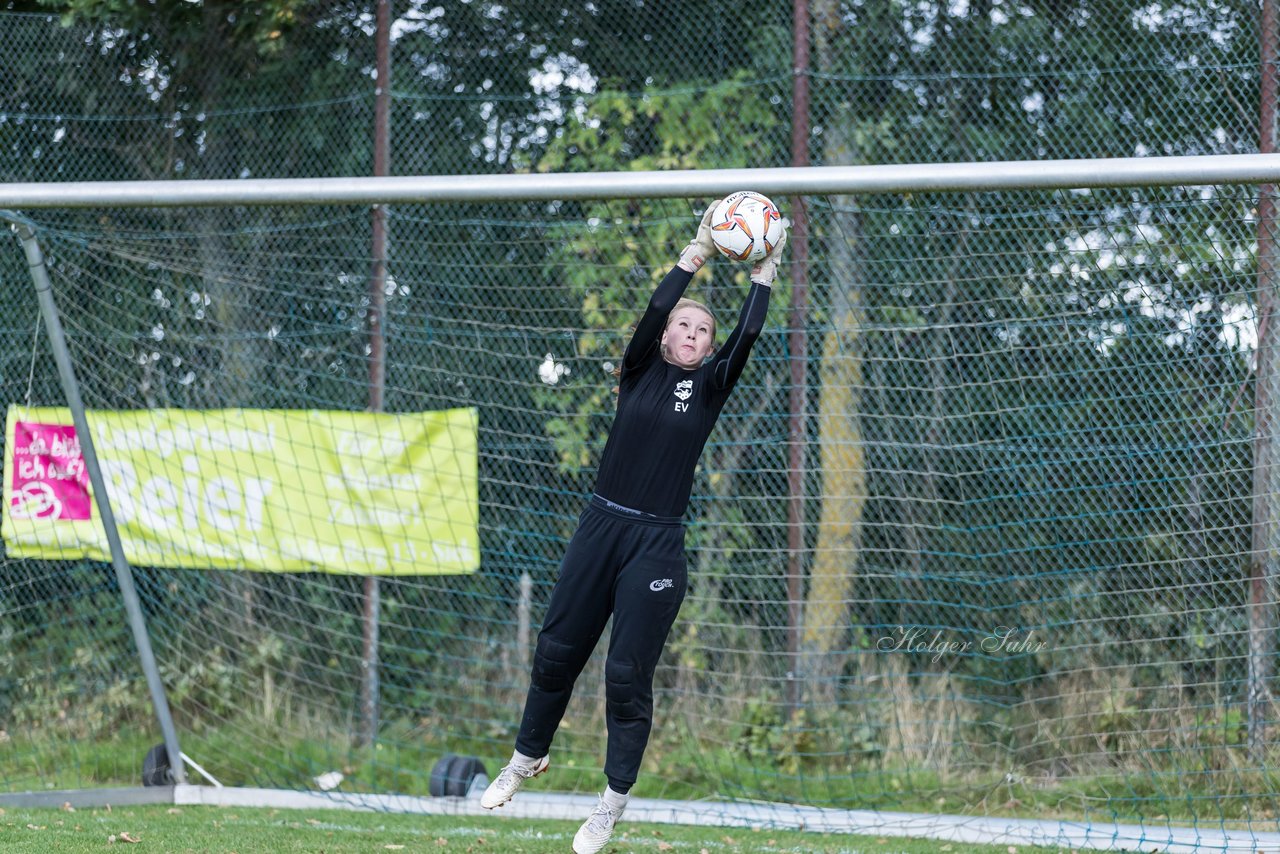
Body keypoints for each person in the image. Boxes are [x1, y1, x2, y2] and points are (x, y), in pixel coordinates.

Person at [481, 202, 787, 854]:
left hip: (656, 543)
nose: (692, 332)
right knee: (557, 651)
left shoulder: (708, 388)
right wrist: (696, 254)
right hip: (601, 526)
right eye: (683, 324)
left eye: (702, 329)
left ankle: (610, 804)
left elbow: (748, 339)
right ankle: (525, 759)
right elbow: (654, 310)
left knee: (625, 674)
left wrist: (764, 274)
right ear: (666, 335)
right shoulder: (639, 370)